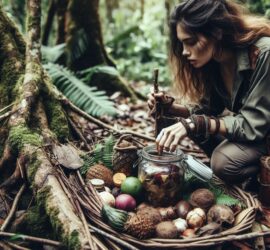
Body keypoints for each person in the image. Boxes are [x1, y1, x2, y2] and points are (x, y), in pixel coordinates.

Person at [148, 0, 270, 184]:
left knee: (223, 162)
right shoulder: (216, 60)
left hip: (262, 134)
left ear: (217, 32)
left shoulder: (263, 53)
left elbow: (252, 126)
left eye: (191, 42)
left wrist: (196, 123)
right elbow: (207, 110)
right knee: (182, 123)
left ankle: (254, 177)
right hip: (256, 135)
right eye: (182, 44)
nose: (184, 52)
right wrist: (170, 107)